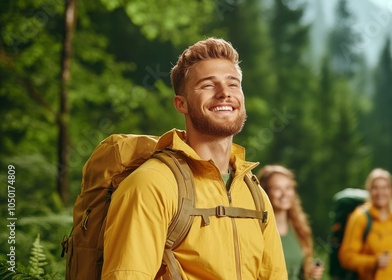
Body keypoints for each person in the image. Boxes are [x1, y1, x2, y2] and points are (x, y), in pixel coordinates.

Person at [101, 38, 288, 279]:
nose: (224, 94)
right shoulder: (152, 184)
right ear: (182, 104)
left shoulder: (254, 194)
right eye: (208, 85)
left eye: (233, 84)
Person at [257, 165, 325, 280]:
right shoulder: (257, 230)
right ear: (265, 192)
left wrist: (312, 275)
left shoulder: (299, 228)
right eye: (277, 188)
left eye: (288, 188)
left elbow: (302, 275)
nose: (284, 194)